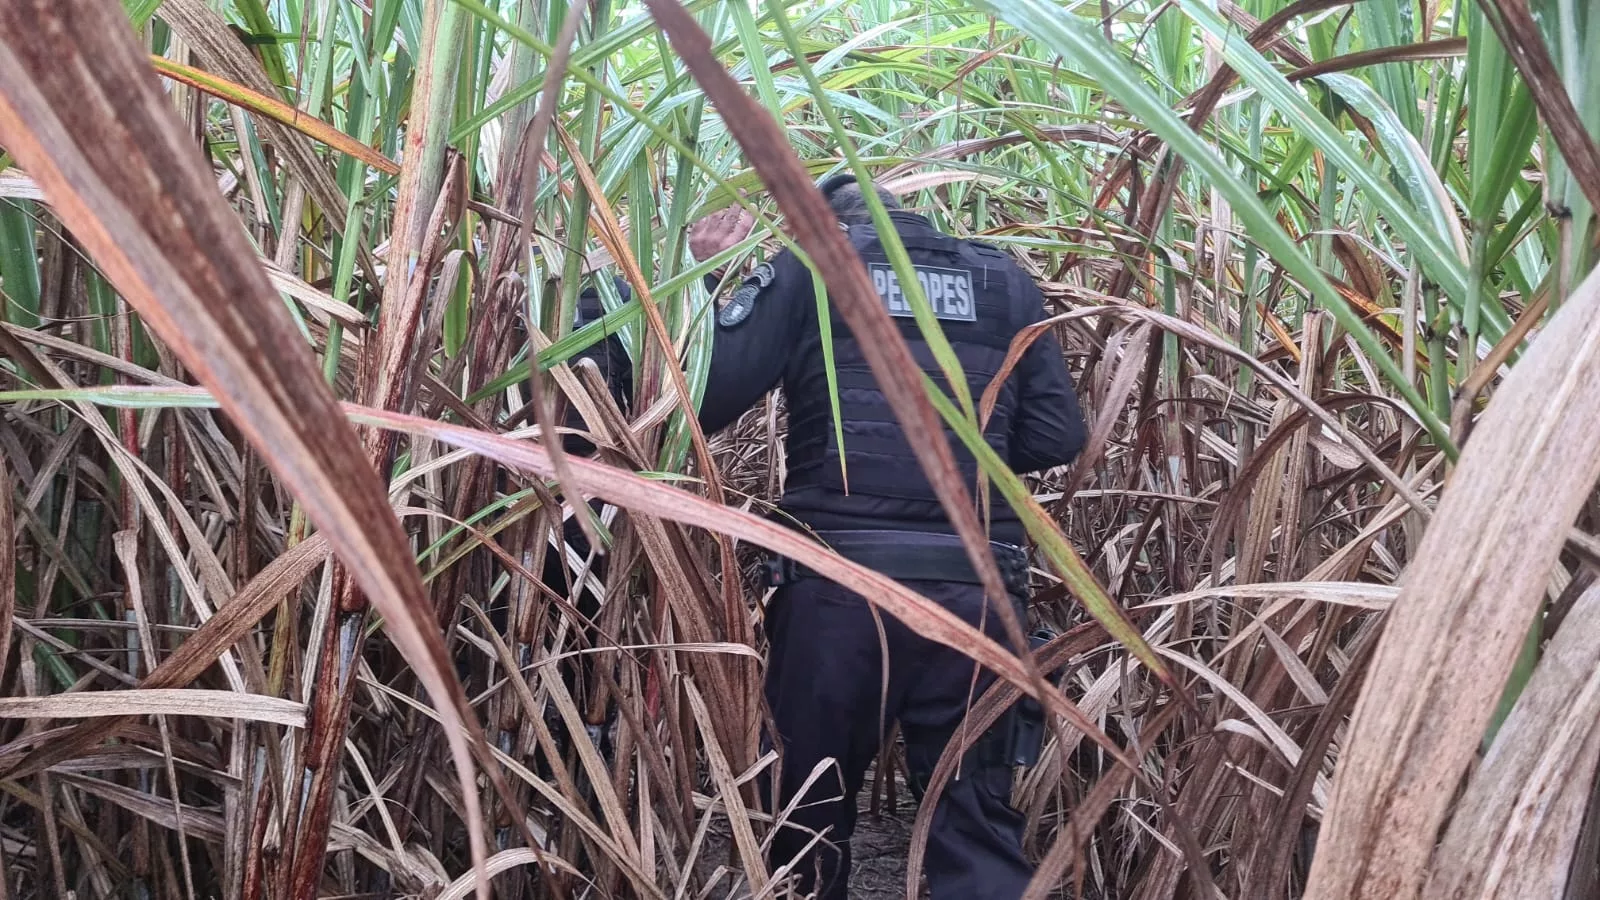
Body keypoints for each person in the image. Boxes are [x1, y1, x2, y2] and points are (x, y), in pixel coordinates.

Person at [682, 175, 1087, 899]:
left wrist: (711, 279)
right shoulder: (1003, 281)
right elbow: (1058, 433)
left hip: (839, 594)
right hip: (980, 595)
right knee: (976, 823)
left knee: (807, 816)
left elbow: (702, 400)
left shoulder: (813, 264)